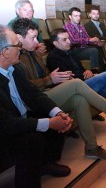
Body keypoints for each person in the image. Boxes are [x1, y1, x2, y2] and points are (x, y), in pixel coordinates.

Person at [12, 18, 106, 159]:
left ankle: (91, 148)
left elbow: (48, 77)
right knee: (77, 83)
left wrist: (51, 78)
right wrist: (49, 79)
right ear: (19, 38)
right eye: (33, 38)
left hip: (46, 92)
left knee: (79, 100)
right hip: (35, 101)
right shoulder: (16, 59)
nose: (38, 42)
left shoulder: (34, 54)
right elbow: (26, 88)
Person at [0, 24, 71, 188]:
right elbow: (5, 123)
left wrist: (57, 113)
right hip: (6, 128)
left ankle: (45, 164)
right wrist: (48, 123)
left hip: (19, 118)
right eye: (16, 45)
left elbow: (34, 94)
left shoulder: (14, 67)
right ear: (4, 52)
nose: (20, 48)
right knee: (32, 140)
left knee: (53, 117)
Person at [64, 7, 105, 73]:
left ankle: (102, 71)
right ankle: (95, 71)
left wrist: (97, 42)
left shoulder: (81, 27)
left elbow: (88, 38)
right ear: (70, 17)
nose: (78, 18)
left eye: (79, 15)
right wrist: (90, 40)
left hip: (83, 49)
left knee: (97, 47)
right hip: (74, 50)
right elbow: (73, 40)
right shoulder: (67, 26)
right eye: (75, 16)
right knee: (93, 50)